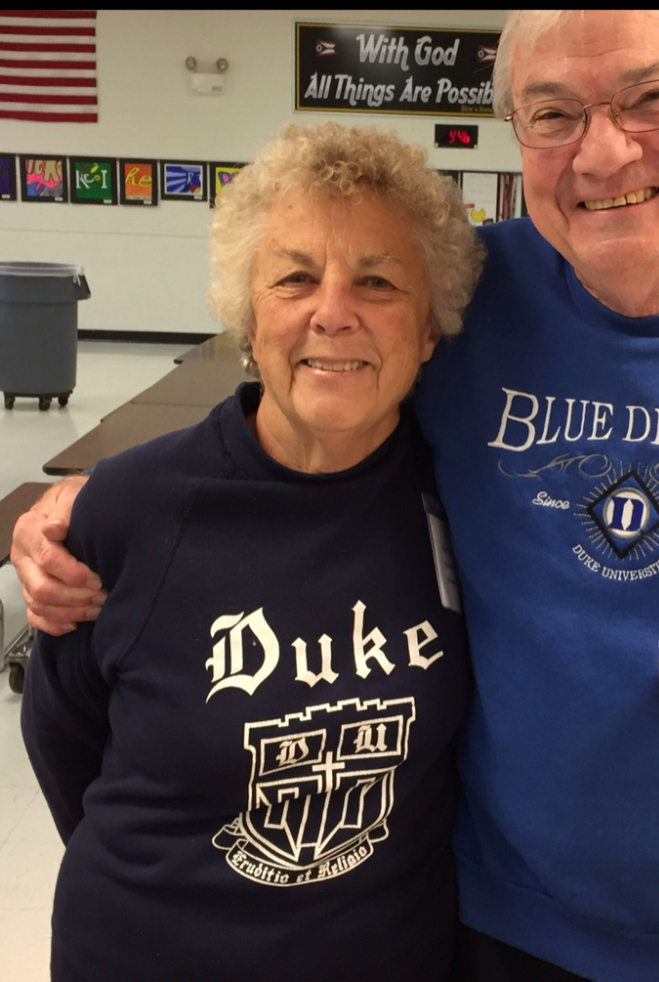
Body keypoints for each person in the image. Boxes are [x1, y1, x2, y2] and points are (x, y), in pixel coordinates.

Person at [14, 10, 659, 982]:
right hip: (487, 925)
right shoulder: (476, 294)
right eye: (552, 113)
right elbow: (317, 393)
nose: (603, 152)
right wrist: (108, 497)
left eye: (649, 98)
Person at [18, 121, 482, 982]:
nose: (332, 311)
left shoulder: (469, 498)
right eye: (296, 276)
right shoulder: (130, 509)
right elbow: (62, 736)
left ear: (428, 329)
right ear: (247, 312)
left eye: (378, 280)